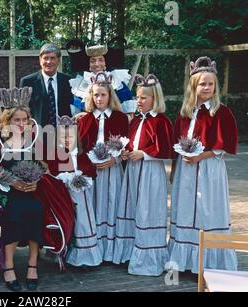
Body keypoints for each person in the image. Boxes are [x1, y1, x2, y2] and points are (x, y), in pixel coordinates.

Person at [0, 87, 75, 291]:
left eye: (25, 120)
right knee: (13, 216)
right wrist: (12, 182)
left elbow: (44, 166)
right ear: (7, 122)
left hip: (32, 192)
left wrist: (35, 181)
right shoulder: (0, 143)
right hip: (8, 193)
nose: (21, 124)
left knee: (35, 211)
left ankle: (32, 265)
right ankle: (9, 268)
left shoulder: (33, 142)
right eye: (16, 120)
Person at [168, 56, 238, 274]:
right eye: (202, 84)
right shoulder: (186, 112)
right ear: (193, 86)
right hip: (186, 168)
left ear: (215, 86)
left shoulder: (221, 111)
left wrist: (202, 156)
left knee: (208, 210)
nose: (206, 87)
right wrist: (176, 168)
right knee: (187, 209)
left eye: (210, 84)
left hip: (208, 168)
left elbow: (223, 144)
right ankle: (186, 261)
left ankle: (209, 261)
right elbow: (176, 141)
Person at [112, 74, 174, 276]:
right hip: (132, 169)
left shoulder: (162, 121)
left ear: (155, 99)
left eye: (144, 98)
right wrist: (125, 151)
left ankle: (148, 259)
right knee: (132, 207)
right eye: (138, 97)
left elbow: (165, 149)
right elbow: (131, 142)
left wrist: (145, 154)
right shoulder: (136, 120)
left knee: (148, 210)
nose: (139, 101)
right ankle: (130, 253)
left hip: (150, 172)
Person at [77, 72, 129, 262]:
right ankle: (93, 249)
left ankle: (111, 249)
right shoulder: (85, 119)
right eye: (95, 95)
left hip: (112, 170)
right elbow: (80, 147)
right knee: (93, 205)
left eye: (103, 95)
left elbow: (126, 145)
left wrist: (114, 160)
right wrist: (89, 163)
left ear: (110, 96)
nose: (99, 99)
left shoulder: (120, 118)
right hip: (91, 172)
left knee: (111, 203)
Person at [47, 116, 102, 267]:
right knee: (67, 222)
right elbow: (53, 173)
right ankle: (63, 251)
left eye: (70, 136)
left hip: (81, 196)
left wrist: (81, 179)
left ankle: (85, 256)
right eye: (63, 137)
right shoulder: (56, 155)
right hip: (62, 197)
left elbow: (90, 172)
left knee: (83, 223)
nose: (66, 140)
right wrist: (65, 178)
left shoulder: (81, 155)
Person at [68, 42, 136, 120]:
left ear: (105, 63)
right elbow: (76, 116)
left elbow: (130, 115)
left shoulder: (118, 84)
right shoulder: (79, 88)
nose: (97, 64)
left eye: (101, 60)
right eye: (93, 61)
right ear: (89, 65)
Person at [20, 43, 73, 127]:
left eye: (52, 58)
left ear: (58, 60)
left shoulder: (69, 81)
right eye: (45, 58)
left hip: (63, 133)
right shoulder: (27, 82)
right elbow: (23, 110)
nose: (49, 62)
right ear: (40, 60)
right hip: (37, 133)